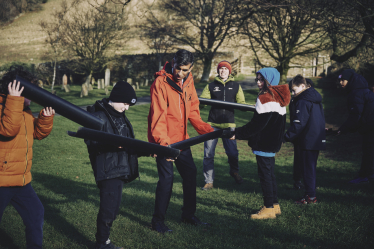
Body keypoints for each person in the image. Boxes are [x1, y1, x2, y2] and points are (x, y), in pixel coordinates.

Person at [148, 49, 214, 233]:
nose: (180, 73)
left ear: (191, 68)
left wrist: (208, 130)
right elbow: (158, 117)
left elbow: (193, 110)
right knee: (167, 179)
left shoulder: (189, 81)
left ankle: (188, 215)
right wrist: (164, 145)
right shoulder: (160, 83)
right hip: (164, 141)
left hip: (182, 140)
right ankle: (157, 221)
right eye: (178, 68)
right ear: (173, 63)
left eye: (185, 70)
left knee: (191, 174)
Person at [0, 67, 55, 249]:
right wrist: (14, 100)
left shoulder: (25, 110)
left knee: (36, 213)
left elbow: (36, 134)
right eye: (29, 92)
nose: (32, 97)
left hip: (22, 180)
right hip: (2, 179)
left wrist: (45, 119)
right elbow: (9, 129)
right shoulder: (3, 107)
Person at [230, 67, 290, 219]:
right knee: (270, 174)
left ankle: (268, 208)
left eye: (261, 79)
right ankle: (275, 205)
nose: (258, 82)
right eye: (257, 79)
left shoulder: (265, 97)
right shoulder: (279, 97)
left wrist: (237, 133)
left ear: (269, 80)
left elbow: (256, 125)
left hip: (264, 142)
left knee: (265, 175)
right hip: (273, 142)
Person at [85, 81, 138, 249]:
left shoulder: (119, 115)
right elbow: (91, 142)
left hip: (120, 168)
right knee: (108, 209)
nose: (127, 108)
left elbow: (129, 144)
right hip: (108, 170)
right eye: (125, 103)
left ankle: (104, 241)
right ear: (115, 99)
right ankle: (101, 243)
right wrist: (113, 145)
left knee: (114, 209)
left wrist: (148, 151)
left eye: (129, 105)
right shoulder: (99, 116)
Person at [199, 61, 246, 190]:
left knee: (232, 153)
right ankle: (209, 181)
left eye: (225, 69)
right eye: (221, 69)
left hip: (229, 124)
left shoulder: (236, 86)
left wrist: (251, 107)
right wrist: (195, 104)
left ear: (229, 71)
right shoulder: (211, 86)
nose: (223, 71)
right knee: (208, 153)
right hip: (212, 124)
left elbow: (241, 103)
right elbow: (202, 101)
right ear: (218, 71)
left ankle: (234, 171)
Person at [284, 75, 326, 204]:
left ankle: (310, 197)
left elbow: (298, 124)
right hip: (316, 139)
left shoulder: (303, 100)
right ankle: (310, 194)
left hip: (308, 140)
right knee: (310, 168)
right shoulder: (315, 99)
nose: (293, 93)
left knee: (307, 169)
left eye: (294, 90)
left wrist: (285, 137)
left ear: (303, 86)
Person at [337, 69, 374, 184]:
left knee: (368, 151)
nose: (340, 83)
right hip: (370, 126)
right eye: (340, 80)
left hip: (370, 127)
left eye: (343, 80)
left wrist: (343, 129)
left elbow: (355, 116)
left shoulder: (356, 93)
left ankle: (364, 176)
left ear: (350, 80)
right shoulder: (363, 90)